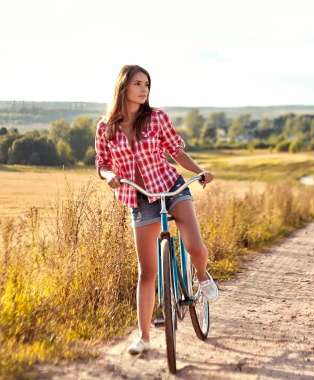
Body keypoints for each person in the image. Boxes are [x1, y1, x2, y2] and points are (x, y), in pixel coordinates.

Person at [94, 64, 219, 355]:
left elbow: (175, 151)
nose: (143, 89)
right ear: (123, 86)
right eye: (138, 83)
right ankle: (144, 337)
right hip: (139, 198)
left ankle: (202, 277)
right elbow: (101, 163)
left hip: (171, 187)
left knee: (195, 245)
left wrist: (200, 172)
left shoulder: (157, 117)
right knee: (147, 271)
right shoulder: (106, 127)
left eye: (147, 85)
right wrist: (109, 175)